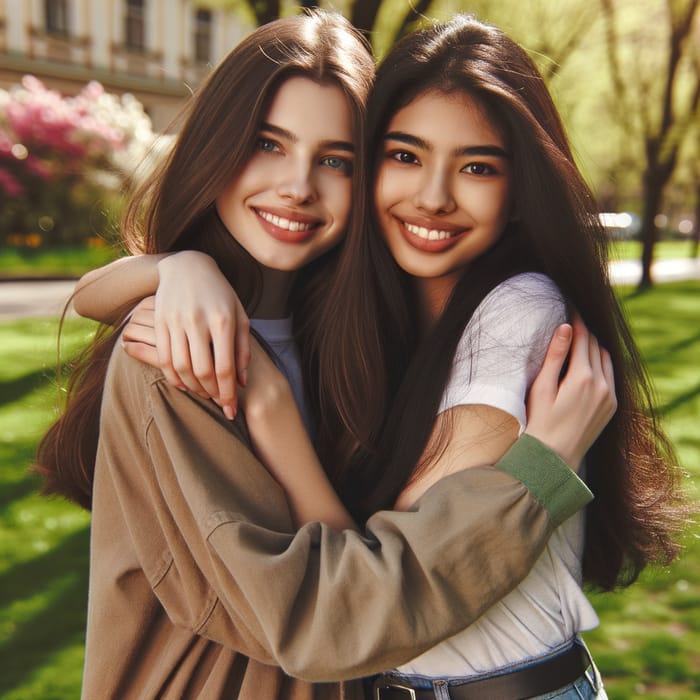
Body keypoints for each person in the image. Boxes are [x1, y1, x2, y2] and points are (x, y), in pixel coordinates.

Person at [75, 14, 688, 700]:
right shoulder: (180, 352)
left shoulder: (334, 327)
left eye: (335, 158)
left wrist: (268, 400)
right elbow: (347, 607)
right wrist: (174, 269)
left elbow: (374, 573)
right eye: (267, 144)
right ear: (216, 148)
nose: (298, 185)